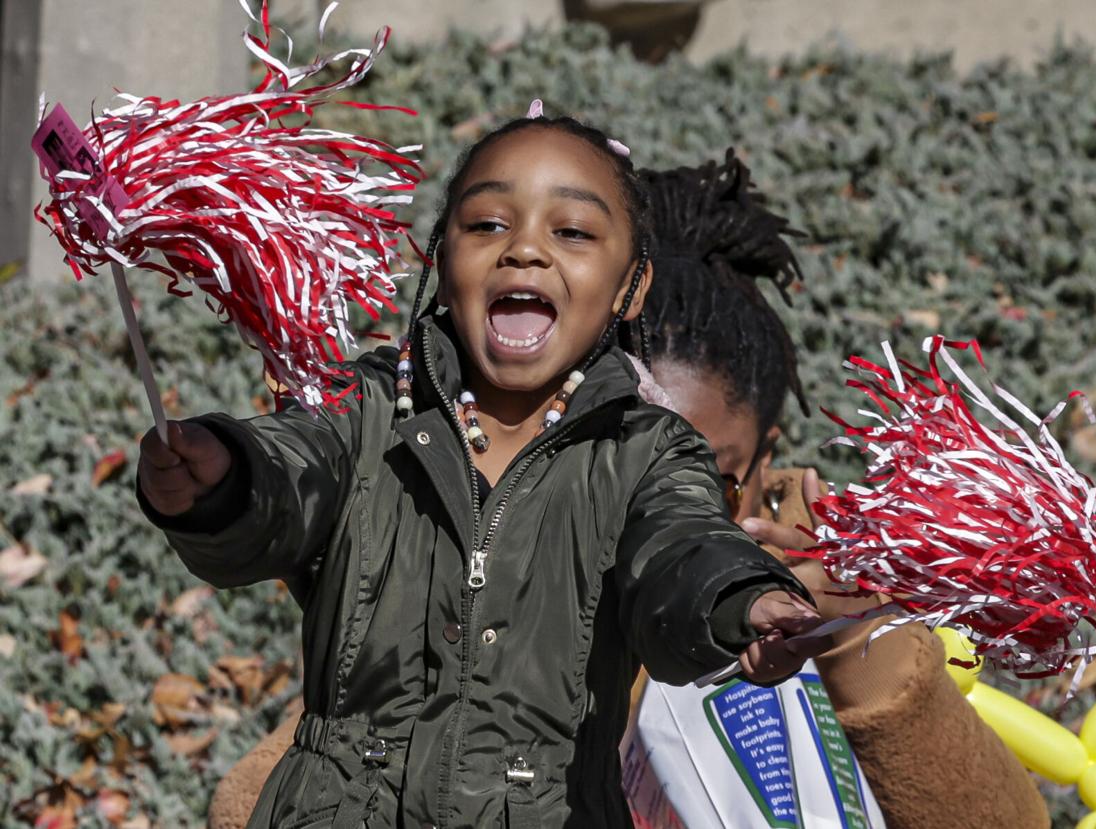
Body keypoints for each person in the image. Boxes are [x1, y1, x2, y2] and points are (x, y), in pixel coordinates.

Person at [136, 105, 828, 829]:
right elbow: (290, 470)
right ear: (440, 261)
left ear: (632, 285)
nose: (524, 249)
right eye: (488, 224)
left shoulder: (648, 453)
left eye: (573, 231)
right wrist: (225, 475)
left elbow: (683, 549)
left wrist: (740, 599)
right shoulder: (369, 407)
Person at [622, 150, 1051, 828]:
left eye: (705, 486)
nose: (655, 524)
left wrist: (855, 639)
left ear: (765, 463)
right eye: (621, 481)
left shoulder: (830, 604)